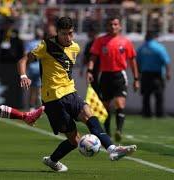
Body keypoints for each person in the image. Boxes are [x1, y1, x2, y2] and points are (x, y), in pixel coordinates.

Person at [18, 17, 137, 172]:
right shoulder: (46, 46)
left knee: (89, 114)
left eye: (71, 33)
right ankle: (52, 160)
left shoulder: (75, 47)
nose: (68, 37)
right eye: (64, 34)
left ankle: (112, 149)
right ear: (57, 33)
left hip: (70, 92)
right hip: (52, 99)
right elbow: (23, 60)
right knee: (74, 140)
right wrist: (23, 76)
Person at [87, 15, 140, 142]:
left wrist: (136, 79)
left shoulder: (126, 42)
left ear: (120, 26)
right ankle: (107, 132)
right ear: (107, 26)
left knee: (120, 103)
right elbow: (93, 57)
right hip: (105, 76)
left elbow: (132, 61)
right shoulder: (100, 41)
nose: (113, 27)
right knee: (105, 106)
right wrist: (89, 71)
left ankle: (119, 131)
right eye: (110, 24)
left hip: (119, 76)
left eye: (115, 24)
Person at [136, 31, 171, 118]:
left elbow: (137, 62)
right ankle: (160, 113)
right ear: (155, 37)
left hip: (145, 74)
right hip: (157, 74)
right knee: (159, 95)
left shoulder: (141, 48)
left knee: (146, 95)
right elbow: (166, 61)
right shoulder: (159, 47)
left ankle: (146, 113)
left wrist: (138, 73)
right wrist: (168, 73)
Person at [25, 28, 43, 110]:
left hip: (32, 68)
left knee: (32, 88)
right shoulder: (42, 44)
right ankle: (39, 104)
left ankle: (32, 106)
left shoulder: (30, 44)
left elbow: (26, 55)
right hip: (40, 68)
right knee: (39, 88)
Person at [80, 24, 100, 94]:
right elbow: (85, 58)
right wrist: (82, 69)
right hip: (91, 71)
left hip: (99, 71)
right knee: (92, 90)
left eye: (90, 32)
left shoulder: (100, 43)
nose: (88, 34)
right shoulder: (89, 44)